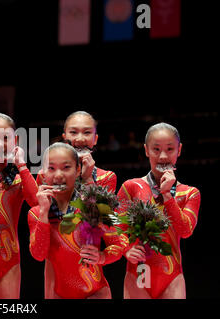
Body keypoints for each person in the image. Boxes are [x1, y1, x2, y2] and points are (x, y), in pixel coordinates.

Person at [28, 142, 127, 299]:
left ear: (78, 170)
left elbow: (118, 243)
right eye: (51, 168)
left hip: (96, 294)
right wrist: (44, 212)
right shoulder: (36, 214)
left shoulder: (94, 204)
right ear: (43, 174)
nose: (58, 175)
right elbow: (39, 255)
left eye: (66, 167)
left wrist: (102, 257)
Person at [117, 123, 201, 299]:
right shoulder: (131, 187)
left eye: (170, 149)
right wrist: (126, 248)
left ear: (179, 150)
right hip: (140, 272)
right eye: (156, 149)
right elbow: (114, 227)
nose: (163, 156)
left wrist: (167, 195)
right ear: (146, 150)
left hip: (172, 278)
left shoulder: (189, 193)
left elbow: (185, 231)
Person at [0, 112, 38, 299]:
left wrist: (23, 165)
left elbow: (36, 203)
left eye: (6, 138)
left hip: (9, 262)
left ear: (15, 140)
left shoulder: (19, 178)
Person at [37, 111, 117, 193]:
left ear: (95, 139)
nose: (80, 139)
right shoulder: (44, 175)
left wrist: (88, 179)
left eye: (87, 132)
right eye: (73, 132)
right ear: (65, 138)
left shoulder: (106, 177)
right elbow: (38, 205)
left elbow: (100, 206)